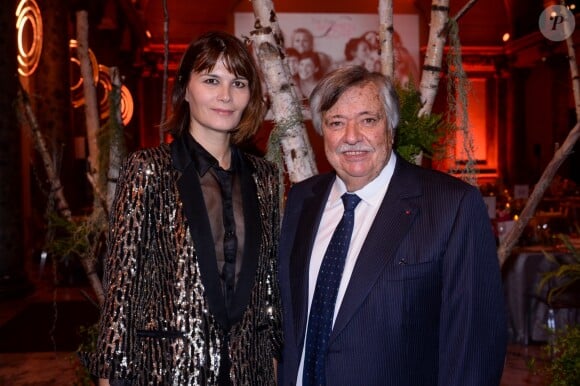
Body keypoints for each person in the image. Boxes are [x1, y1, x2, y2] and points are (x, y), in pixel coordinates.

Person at [277, 66, 507, 386]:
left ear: (392, 127)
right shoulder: (302, 200)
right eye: (336, 123)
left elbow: (475, 344)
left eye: (368, 120)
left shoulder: (450, 206)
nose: (352, 136)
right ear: (321, 132)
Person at [82, 31, 282, 385]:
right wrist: (109, 375)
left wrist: (277, 360)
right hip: (168, 369)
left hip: (250, 371)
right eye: (211, 80)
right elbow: (122, 285)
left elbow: (269, 285)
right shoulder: (148, 170)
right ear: (185, 90)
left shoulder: (265, 177)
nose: (225, 95)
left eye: (238, 82)